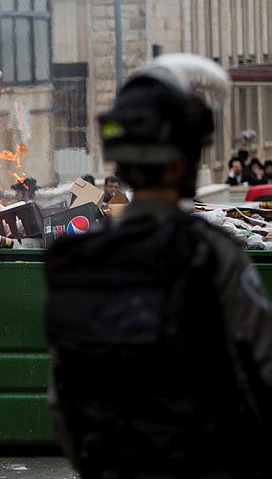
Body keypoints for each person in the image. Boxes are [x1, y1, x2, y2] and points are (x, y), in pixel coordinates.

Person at [45, 54, 272, 479]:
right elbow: (260, 373)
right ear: (185, 159)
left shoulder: (75, 260)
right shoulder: (212, 254)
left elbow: (64, 401)